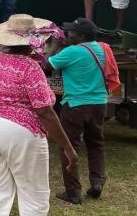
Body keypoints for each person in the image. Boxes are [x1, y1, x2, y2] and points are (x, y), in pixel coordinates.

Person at [0, 14, 78, 216]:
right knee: (33, 195)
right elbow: (44, 111)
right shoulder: (30, 68)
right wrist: (68, 147)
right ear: (32, 40)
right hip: (20, 132)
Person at [48, 18, 112, 204]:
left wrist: (54, 46)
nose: (68, 34)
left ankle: (73, 192)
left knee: (68, 146)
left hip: (76, 105)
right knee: (96, 143)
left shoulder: (72, 51)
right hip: (99, 103)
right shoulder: (101, 49)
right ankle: (97, 182)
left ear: (82, 36)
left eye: (72, 32)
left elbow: (47, 64)